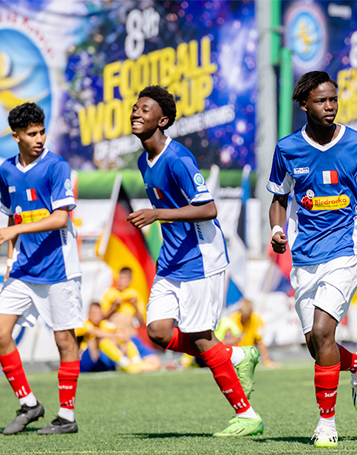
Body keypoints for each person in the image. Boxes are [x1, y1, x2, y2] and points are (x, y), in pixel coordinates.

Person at [126, 85, 263, 437]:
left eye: (145, 109)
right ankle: (234, 356)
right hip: (171, 261)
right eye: (135, 108)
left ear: (163, 120)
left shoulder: (179, 159)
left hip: (200, 259)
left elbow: (208, 208)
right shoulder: (144, 160)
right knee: (157, 330)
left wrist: (156, 214)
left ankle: (246, 415)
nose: (136, 113)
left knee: (200, 337)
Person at [268, 71, 357, 448]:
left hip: (344, 251)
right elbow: (279, 199)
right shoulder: (287, 149)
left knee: (323, 331)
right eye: (322, 101)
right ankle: (356, 364)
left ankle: (326, 424)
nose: (330, 106)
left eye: (333, 100)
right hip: (304, 256)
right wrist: (277, 231)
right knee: (315, 342)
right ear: (304, 104)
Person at [0, 102, 82, 435]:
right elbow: (13, 215)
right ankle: (29, 405)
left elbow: (60, 218)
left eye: (42, 132)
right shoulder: (6, 170)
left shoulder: (56, 166)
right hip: (24, 269)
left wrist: (12, 232)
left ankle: (66, 417)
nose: (39, 138)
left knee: (64, 340)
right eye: (31, 134)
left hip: (59, 268)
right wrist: (12, 256)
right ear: (15, 136)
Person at [99, 267, 160, 371]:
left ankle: (136, 365)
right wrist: (113, 307)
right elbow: (100, 319)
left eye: (126, 279)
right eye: (121, 278)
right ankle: (129, 364)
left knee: (156, 362)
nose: (123, 281)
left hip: (132, 337)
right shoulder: (109, 293)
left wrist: (135, 306)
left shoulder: (134, 294)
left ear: (130, 280)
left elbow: (142, 321)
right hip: (116, 339)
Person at [76, 302, 143, 374]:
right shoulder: (84, 323)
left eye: (99, 314)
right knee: (99, 339)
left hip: (102, 358)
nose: (97, 316)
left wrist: (124, 342)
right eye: (94, 313)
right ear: (88, 314)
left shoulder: (104, 324)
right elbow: (95, 332)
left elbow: (121, 331)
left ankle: (136, 360)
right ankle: (123, 362)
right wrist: (115, 336)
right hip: (85, 359)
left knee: (119, 338)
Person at [227, 299, 281, 369]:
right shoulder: (231, 319)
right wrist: (235, 340)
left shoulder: (256, 319)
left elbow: (260, 342)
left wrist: (267, 361)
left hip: (249, 355)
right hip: (233, 355)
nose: (246, 319)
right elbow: (225, 342)